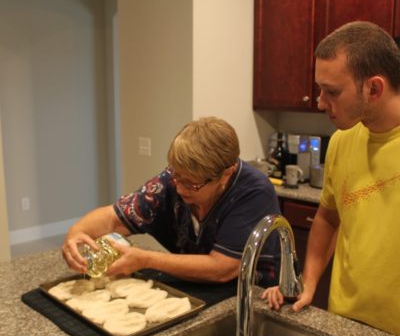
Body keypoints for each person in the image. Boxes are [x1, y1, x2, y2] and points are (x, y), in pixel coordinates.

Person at [262, 21, 400, 336]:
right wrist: (308, 282)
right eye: (320, 89)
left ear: (374, 88)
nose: (321, 102)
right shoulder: (341, 141)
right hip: (344, 321)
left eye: (332, 91)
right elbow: (327, 217)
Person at [63, 116, 281, 288]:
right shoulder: (173, 179)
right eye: (176, 176)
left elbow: (222, 268)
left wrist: (145, 259)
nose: (178, 187)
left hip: (255, 296)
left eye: (191, 184)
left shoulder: (254, 192)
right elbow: (114, 218)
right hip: (198, 287)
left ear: (226, 174)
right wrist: (77, 232)